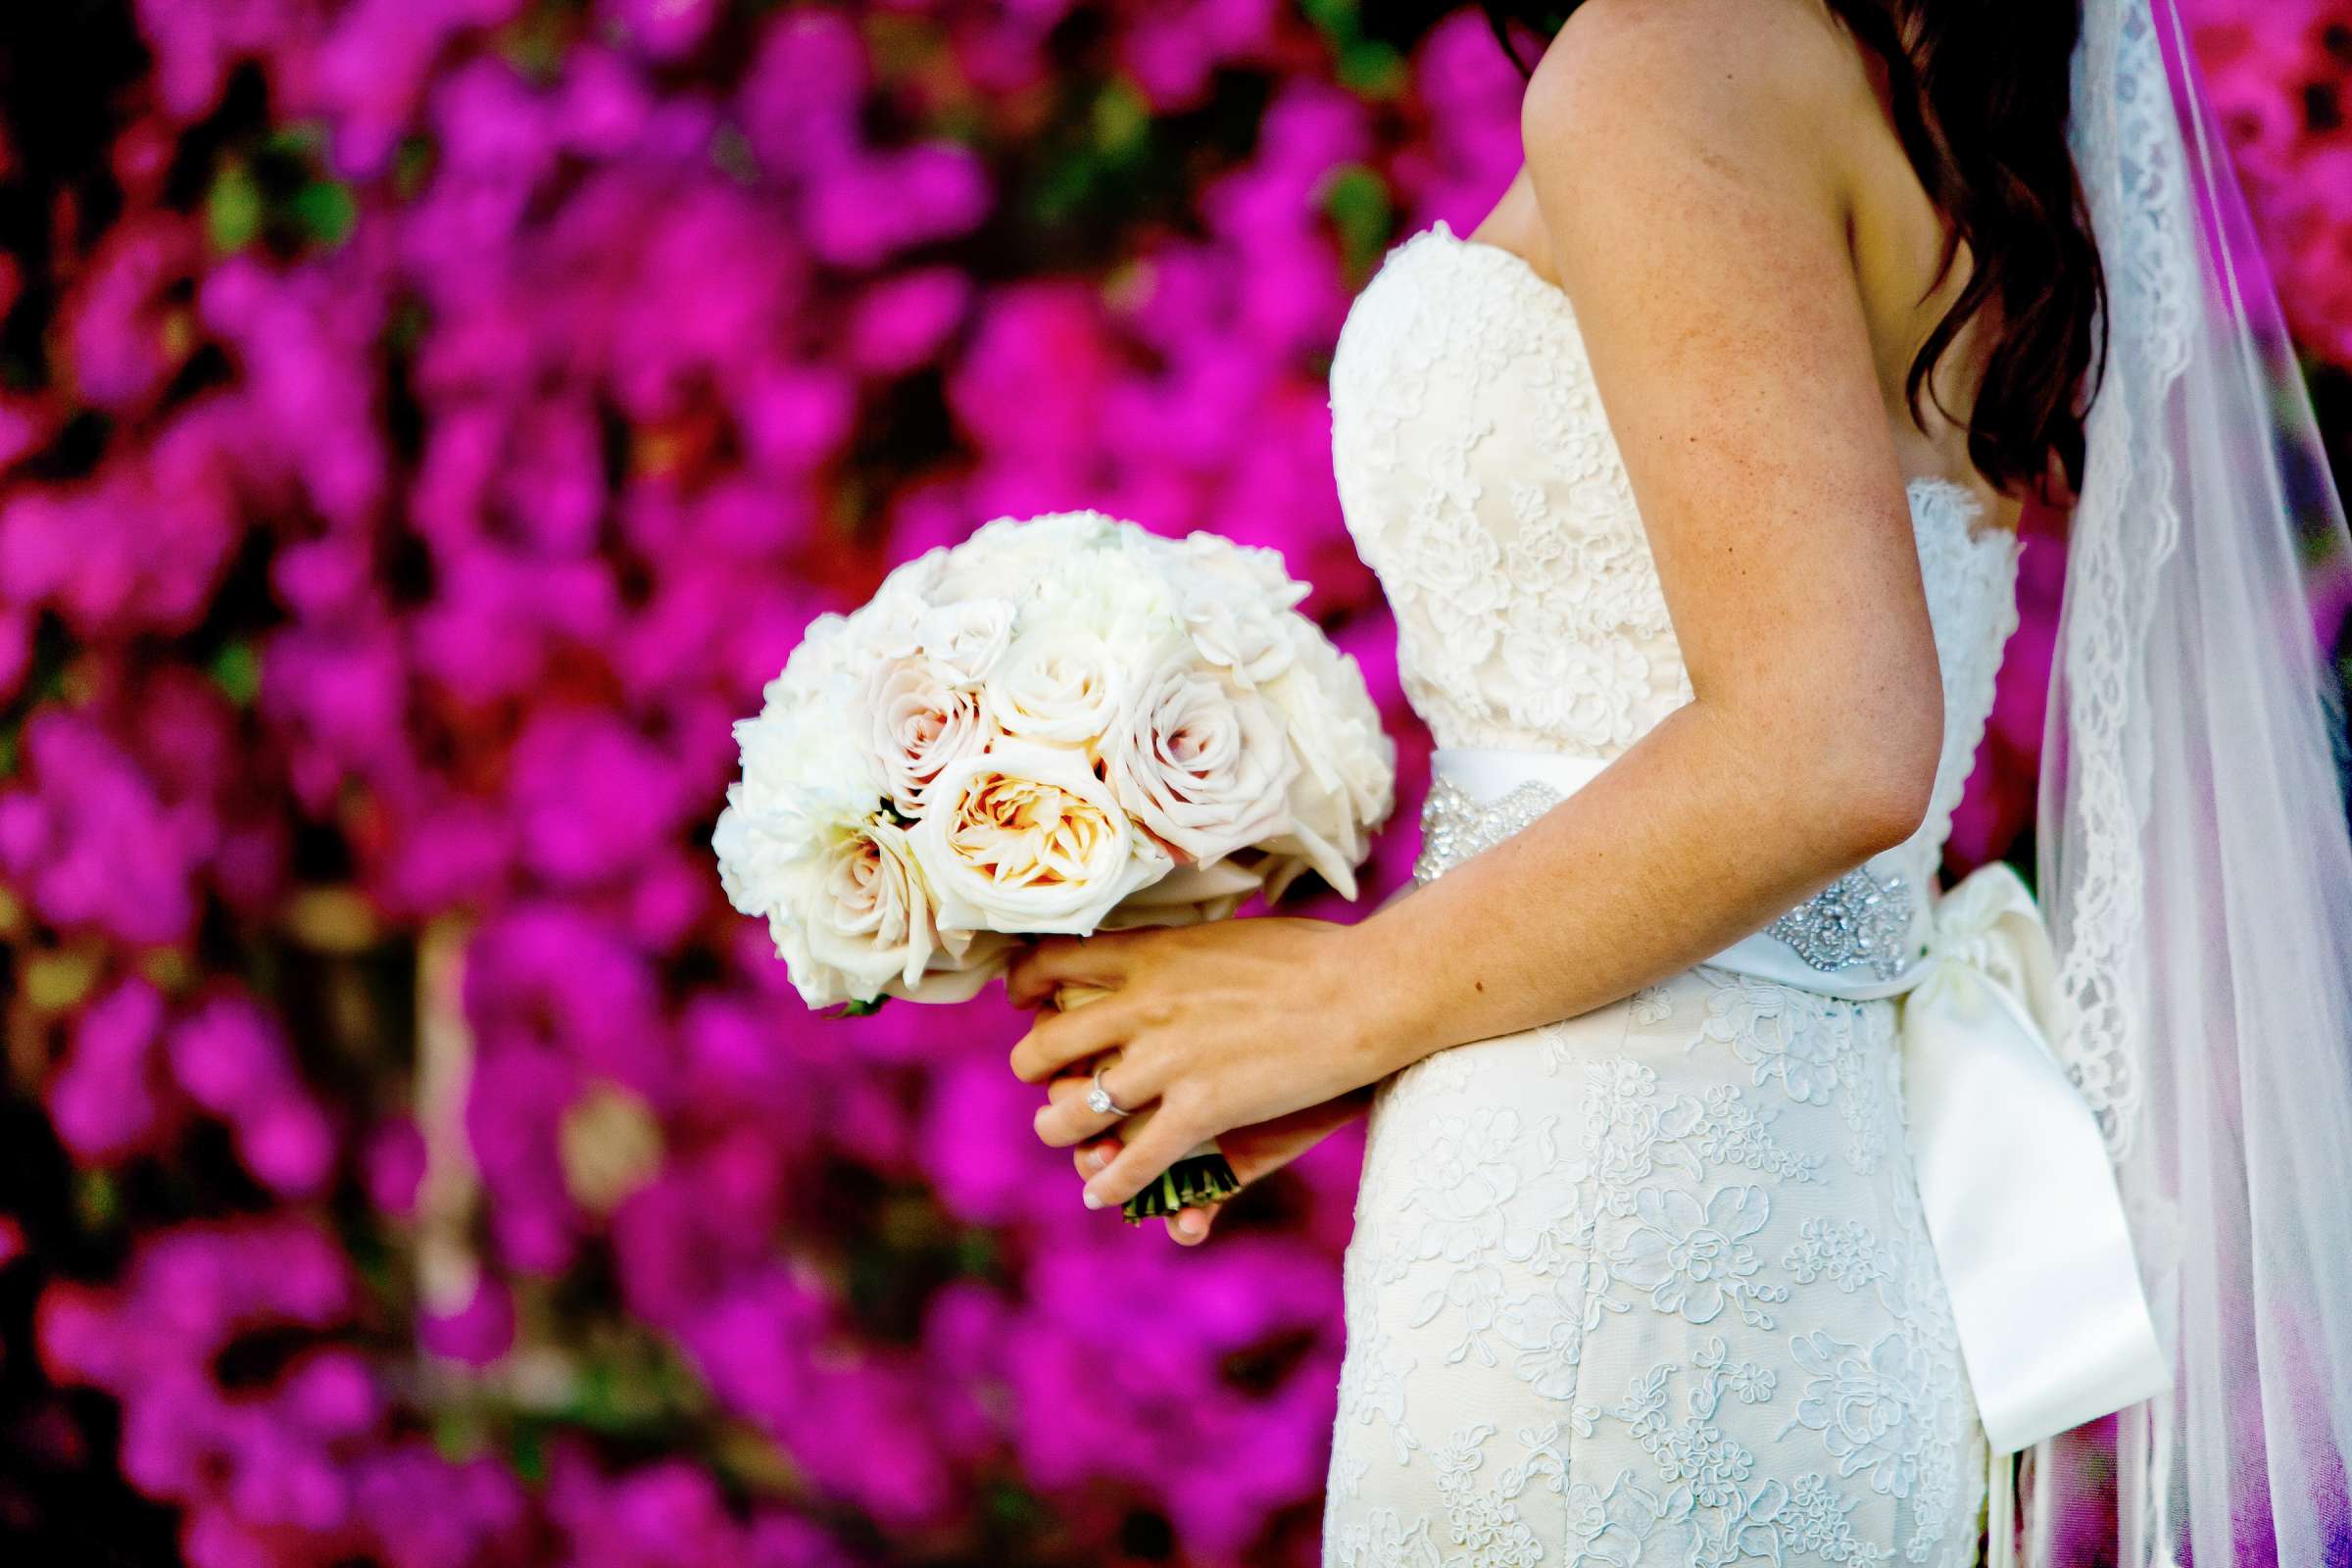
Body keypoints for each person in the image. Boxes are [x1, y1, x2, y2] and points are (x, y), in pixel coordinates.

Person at [1004, 0, 2352, 1561]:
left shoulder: (1674, 54)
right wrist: (1370, 1036)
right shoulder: (1938, 105)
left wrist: (1342, 1000)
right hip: (1809, 1189)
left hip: (1597, 1240)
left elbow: (1829, 742)